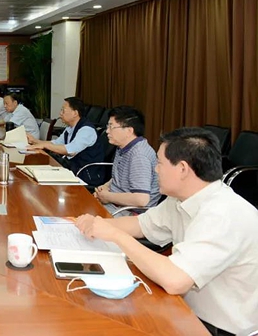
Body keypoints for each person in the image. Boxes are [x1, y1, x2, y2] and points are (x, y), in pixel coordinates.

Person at [76, 127, 258, 336]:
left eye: (159, 163)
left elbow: (175, 280)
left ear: (182, 169)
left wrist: (116, 236)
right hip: (184, 309)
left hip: (217, 328)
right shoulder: (181, 198)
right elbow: (140, 225)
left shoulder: (224, 214)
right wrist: (94, 223)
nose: (155, 170)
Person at [94, 106, 160, 213]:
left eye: (111, 127)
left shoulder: (139, 155)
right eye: (107, 126)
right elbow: (120, 177)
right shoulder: (123, 147)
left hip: (128, 211)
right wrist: (105, 187)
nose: (107, 131)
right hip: (115, 204)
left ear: (129, 131)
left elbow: (141, 199)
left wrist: (108, 197)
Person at [28, 97, 105, 185]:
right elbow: (56, 143)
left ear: (75, 113)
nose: (60, 113)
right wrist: (35, 141)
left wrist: (45, 145)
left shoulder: (86, 130)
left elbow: (70, 151)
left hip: (85, 175)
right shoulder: (70, 128)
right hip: (73, 169)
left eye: (63, 110)